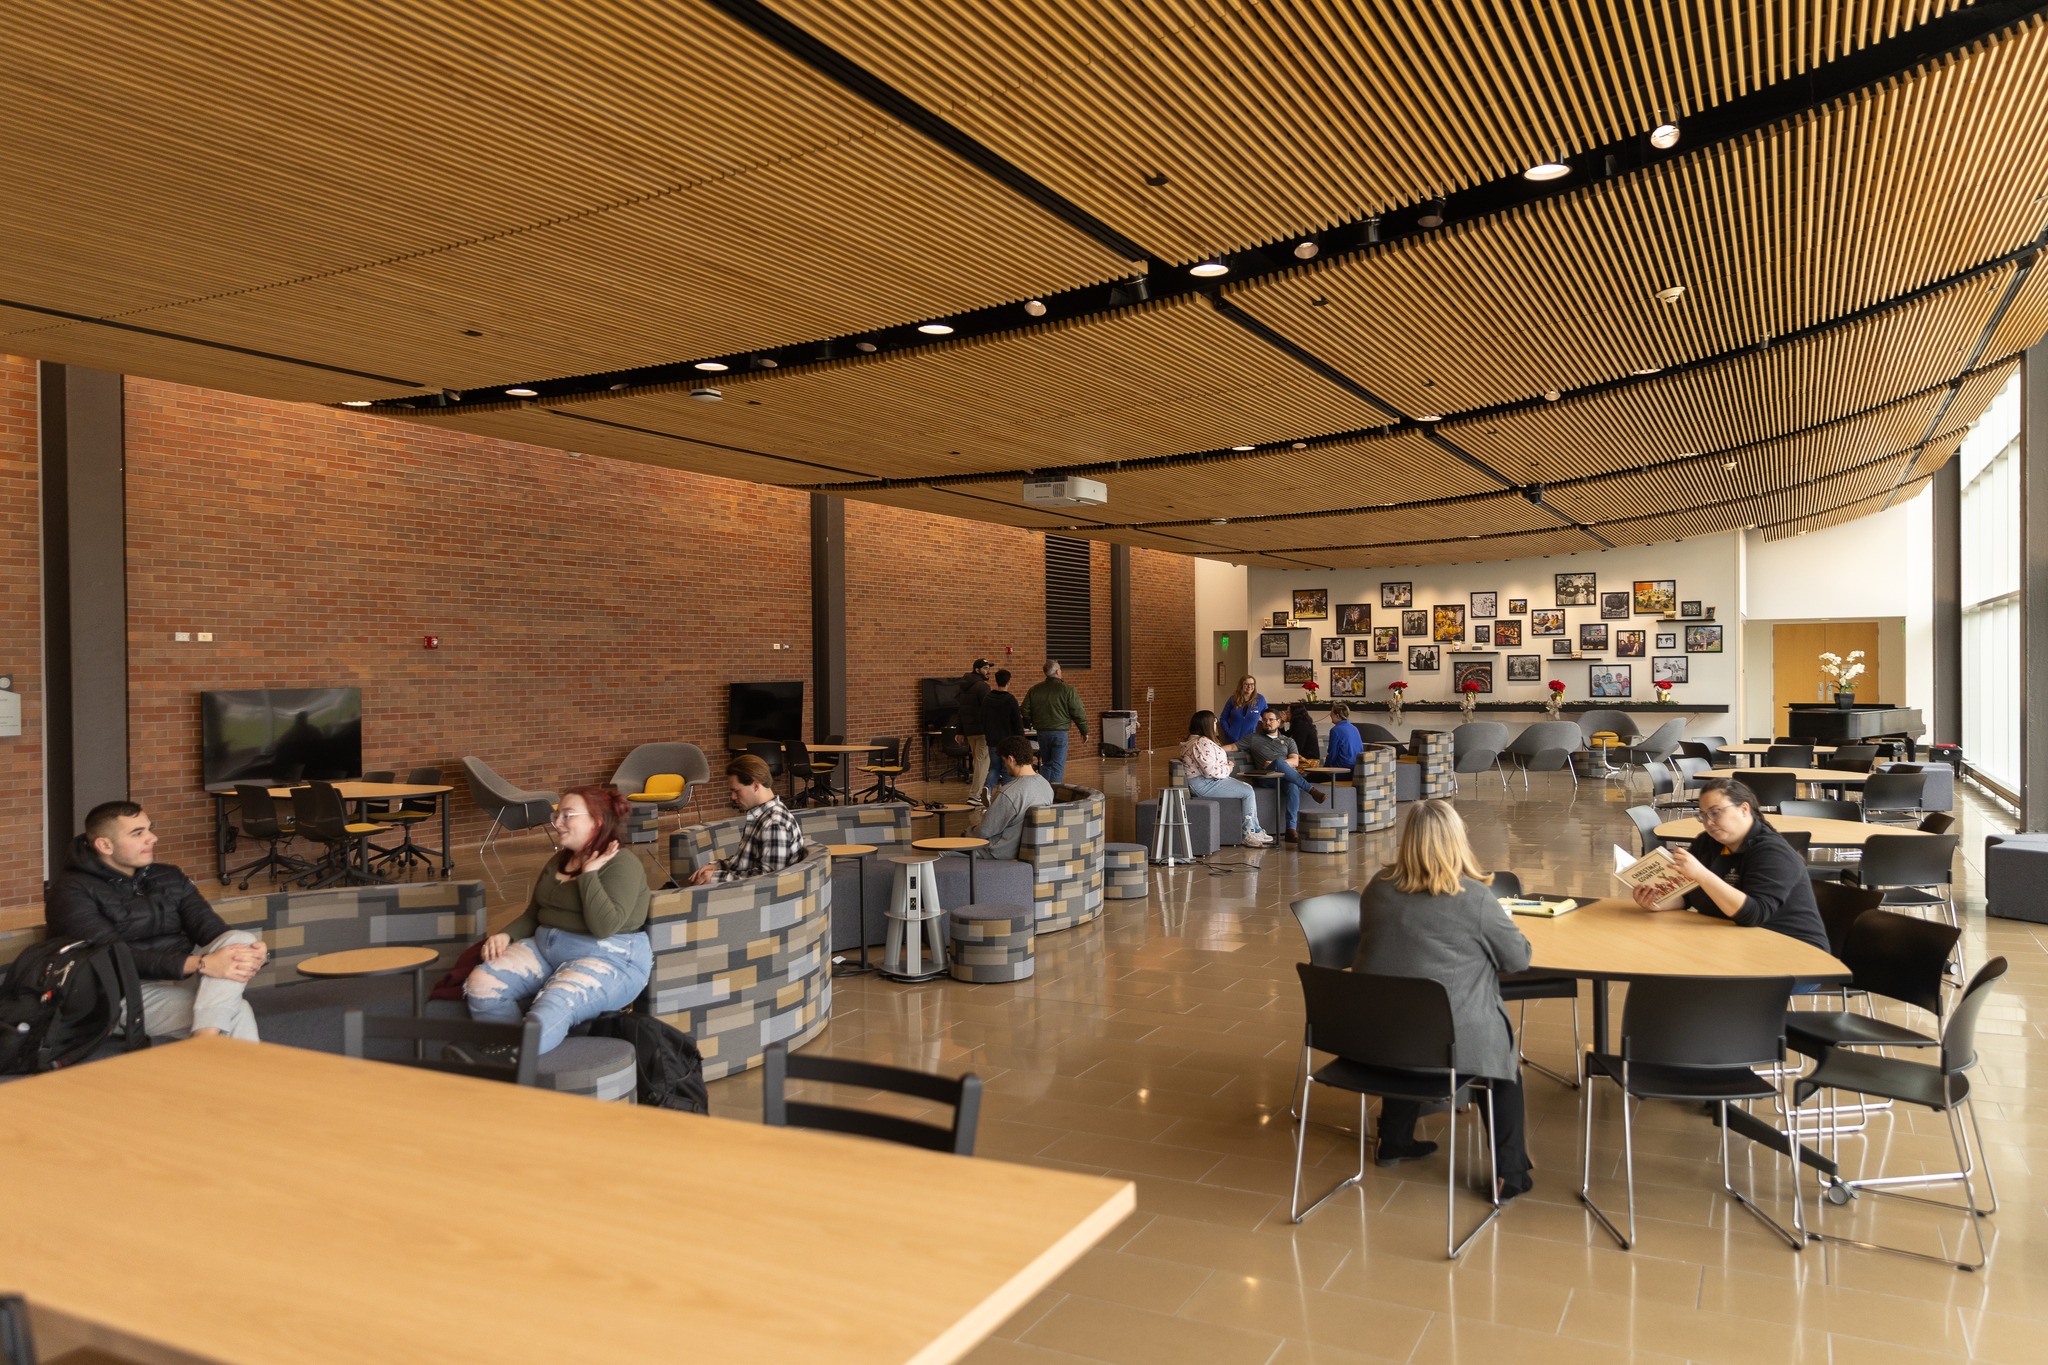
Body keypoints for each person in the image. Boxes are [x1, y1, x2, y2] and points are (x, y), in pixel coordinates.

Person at [1353, 800, 1534, 1200]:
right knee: (1501, 1064)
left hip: (1377, 1039)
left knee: (1408, 1010)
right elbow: (1517, 958)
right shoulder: (1472, 897)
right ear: (1458, 841)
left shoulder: (1377, 888)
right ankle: (1511, 1171)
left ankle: (1395, 1139)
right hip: (1449, 1047)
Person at [46, 800, 269, 1042]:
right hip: (118, 993)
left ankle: (205, 1041)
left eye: (149, 829)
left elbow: (213, 932)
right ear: (105, 845)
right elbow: (112, 956)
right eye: (138, 833)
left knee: (241, 940)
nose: (152, 838)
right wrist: (200, 964)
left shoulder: (168, 876)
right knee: (236, 1012)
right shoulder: (71, 891)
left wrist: (253, 953)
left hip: (180, 979)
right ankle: (210, 1044)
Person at [465, 786, 652, 1053]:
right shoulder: (559, 860)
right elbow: (534, 913)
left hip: (609, 957)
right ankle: (506, 1049)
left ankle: (517, 1062)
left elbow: (605, 926)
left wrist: (588, 875)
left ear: (596, 821)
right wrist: (505, 934)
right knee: (483, 983)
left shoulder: (623, 864)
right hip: (546, 948)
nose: (557, 823)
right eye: (557, 816)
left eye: (567, 815)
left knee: (552, 1009)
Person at [1632, 777, 1829, 954]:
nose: (1708, 822)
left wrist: (1701, 874)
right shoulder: (1707, 843)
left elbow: (1754, 915)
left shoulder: (1772, 852)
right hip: (1734, 944)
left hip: (1793, 952)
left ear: (1744, 809)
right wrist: (1658, 902)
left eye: (1716, 813)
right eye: (1702, 815)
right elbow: (1688, 896)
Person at [686, 753, 807, 885]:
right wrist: (719, 866)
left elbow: (769, 879)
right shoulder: (763, 815)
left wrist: (714, 878)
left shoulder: (774, 823)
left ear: (756, 786)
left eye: (736, 791)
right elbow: (746, 861)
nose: (732, 797)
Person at [1180, 711, 1274, 847]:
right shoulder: (1201, 743)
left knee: (1247, 788)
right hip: (1204, 784)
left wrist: (1224, 766)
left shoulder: (1195, 741)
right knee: (1247, 792)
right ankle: (1248, 832)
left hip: (1206, 781)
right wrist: (1228, 768)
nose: (1216, 724)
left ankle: (1256, 829)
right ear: (1207, 724)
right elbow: (1209, 771)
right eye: (1214, 721)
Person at [1239, 707, 1327, 842]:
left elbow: (1295, 761)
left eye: (1270, 720)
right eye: (1264, 720)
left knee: (1292, 785)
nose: (1267, 722)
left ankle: (1291, 830)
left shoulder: (1288, 741)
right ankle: (1311, 790)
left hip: (1284, 777)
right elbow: (1233, 747)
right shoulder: (1253, 738)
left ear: (1279, 721)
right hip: (1266, 777)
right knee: (1280, 763)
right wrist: (1212, 745)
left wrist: (1278, 763)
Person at [966, 736, 1053, 859]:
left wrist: (968, 832)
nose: (1005, 765)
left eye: (1004, 760)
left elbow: (984, 831)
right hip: (1026, 850)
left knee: (943, 853)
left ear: (1011, 759)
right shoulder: (1046, 785)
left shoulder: (1009, 793)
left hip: (997, 852)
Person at [1022, 659, 1087, 784]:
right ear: (1057, 671)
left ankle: (1044, 791)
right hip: (1060, 732)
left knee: (1046, 763)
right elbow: (1078, 711)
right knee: (1057, 765)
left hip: (1041, 732)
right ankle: (1055, 794)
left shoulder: (1035, 689)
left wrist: (1030, 722)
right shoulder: (1068, 690)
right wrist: (1084, 730)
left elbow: (1025, 709)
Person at [981, 667, 1026, 797]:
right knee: (1007, 770)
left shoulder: (987, 699)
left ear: (996, 681)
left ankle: (987, 788)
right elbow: (1018, 723)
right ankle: (1005, 796)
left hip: (992, 740)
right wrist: (1021, 740)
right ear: (1008, 682)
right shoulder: (1010, 700)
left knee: (994, 767)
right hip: (1008, 741)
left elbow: (982, 718)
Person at [954, 657, 994, 802]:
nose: (988, 671)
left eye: (989, 668)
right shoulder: (982, 686)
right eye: (985, 669)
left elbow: (960, 711)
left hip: (970, 730)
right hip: (982, 730)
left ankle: (975, 792)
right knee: (983, 761)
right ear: (977, 670)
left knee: (977, 761)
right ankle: (975, 794)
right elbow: (988, 709)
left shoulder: (964, 686)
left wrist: (959, 731)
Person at [1219, 675, 1265, 745]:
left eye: (1252, 684)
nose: (1249, 687)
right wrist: (1228, 732)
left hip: (1251, 741)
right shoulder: (1233, 699)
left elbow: (1267, 716)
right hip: (1232, 740)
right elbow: (1223, 718)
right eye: (1246, 684)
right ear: (1241, 685)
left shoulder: (1260, 699)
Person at [1324, 702, 1363, 774]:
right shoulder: (1354, 728)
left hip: (1340, 771)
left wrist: (1324, 768)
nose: (1330, 715)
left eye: (1331, 713)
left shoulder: (1335, 730)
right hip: (1355, 770)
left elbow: (1332, 755)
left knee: (1309, 777)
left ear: (1337, 716)